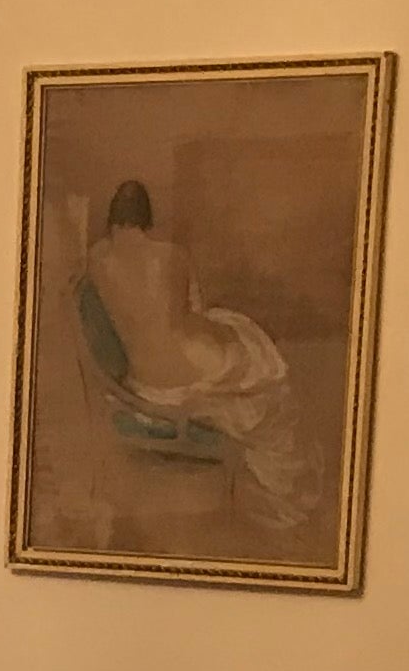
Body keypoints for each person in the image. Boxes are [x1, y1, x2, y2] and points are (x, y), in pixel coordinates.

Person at [79, 178, 317, 532]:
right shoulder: (172, 256)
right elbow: (191, 314)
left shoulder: (96, 260)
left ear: (112, 217)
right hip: (184, 370)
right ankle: (283, 491)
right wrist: (223, 331)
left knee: (237, 336)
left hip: (143, 379)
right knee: (255, 354)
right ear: (147, 218)